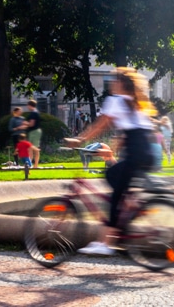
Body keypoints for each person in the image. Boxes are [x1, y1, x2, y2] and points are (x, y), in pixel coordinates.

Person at [66, 67, 158, 255]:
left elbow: (100, 125)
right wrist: (116, 148)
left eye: (113, 80)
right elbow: (135, 132)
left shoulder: (116, 101)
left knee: (115, 195)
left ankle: (106, 243)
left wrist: (80, 140)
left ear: (120, 83)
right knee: (113, 176)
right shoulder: (136, 103)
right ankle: (128, 211)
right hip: (146, 153)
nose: (111, 83)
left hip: (136, 153)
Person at [23, 99, 42, 169]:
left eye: (28, 105)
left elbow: (31, 124)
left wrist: (25, 123)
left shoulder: (33, 113)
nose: (27, 107)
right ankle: (30, 164)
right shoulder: (35, 112)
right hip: (33, 132)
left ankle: (35, 165)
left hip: (35, 132)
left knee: (35, 148)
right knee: (30, 148)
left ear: (30, 105)